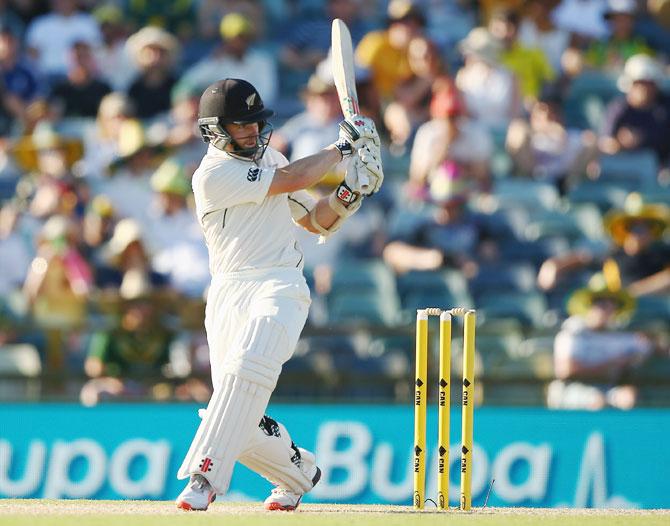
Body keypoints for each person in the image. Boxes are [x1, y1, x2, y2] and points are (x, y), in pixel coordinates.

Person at [175, 78, 383, 511]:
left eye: (255, 122)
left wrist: (351, 191)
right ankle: (298, 472)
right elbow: (290, 179)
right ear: (215, 130)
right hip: (229, 290)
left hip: (280, 284)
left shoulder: (270, 158)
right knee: (236, 408)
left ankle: (203, 477)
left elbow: (317, 221)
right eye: (240, 124)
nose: (251, 131)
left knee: (249, 367)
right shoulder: (212, 174)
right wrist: (343, 151)